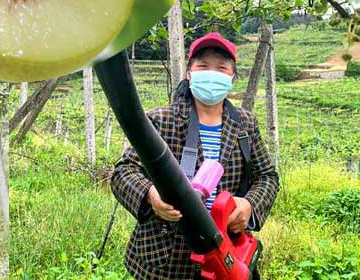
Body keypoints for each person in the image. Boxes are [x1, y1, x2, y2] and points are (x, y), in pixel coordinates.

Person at [111, 32, 279, 280]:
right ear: (190, 73)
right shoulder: (161, 120)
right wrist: (150, 195)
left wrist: (249, 205)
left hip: (225, 253)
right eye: (203, 66)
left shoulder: (244, 125)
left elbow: (267, 176)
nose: (212, 73)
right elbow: (123, 171)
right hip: (165, 259)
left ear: (233, 77)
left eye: (221, 68)